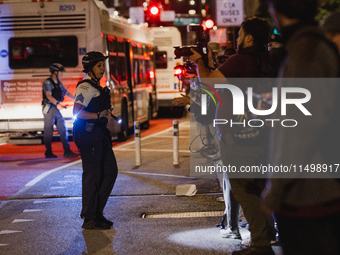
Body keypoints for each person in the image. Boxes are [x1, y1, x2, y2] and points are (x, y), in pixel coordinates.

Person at [190, 17, 276, 255]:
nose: (237, 39)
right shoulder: (266, 60)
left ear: (249, 38)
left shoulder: (241, 61)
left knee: (242, 187)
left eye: (239, 34)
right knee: (257, 184)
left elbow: (208, 83)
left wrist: (199, 63)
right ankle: (266, 235)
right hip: (259, 130)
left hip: (237, 133)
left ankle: (260, 244)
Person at [263, 1, 340, 255]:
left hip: (308, 195)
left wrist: (276, 190)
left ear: (277, 12)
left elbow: (300, 131)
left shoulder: (305, 52)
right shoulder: (310, 45)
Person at [73, 51, 118, 230]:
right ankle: (90, 217)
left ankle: (97, 212)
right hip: (88, 136)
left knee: (110, 171)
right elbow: (76, 112)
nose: (102, 69)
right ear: (90, 67)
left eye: (103, 65)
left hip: (100, 135)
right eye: (99, 66)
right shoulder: (85, 87)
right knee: (92, 175)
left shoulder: (97, 86)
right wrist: (97, 114)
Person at [42, 63, 79, 158]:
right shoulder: (48, 82)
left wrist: (76, 99)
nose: (61, 74)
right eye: (60, 72)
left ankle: (67, 150)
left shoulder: (58, 83)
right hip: (50, 109)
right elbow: (48, 95)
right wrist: (57, 103)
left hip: (56, 109)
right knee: (48, 131)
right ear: (55, 72)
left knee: (63, 128)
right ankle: (48, 151)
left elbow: (66, 92)